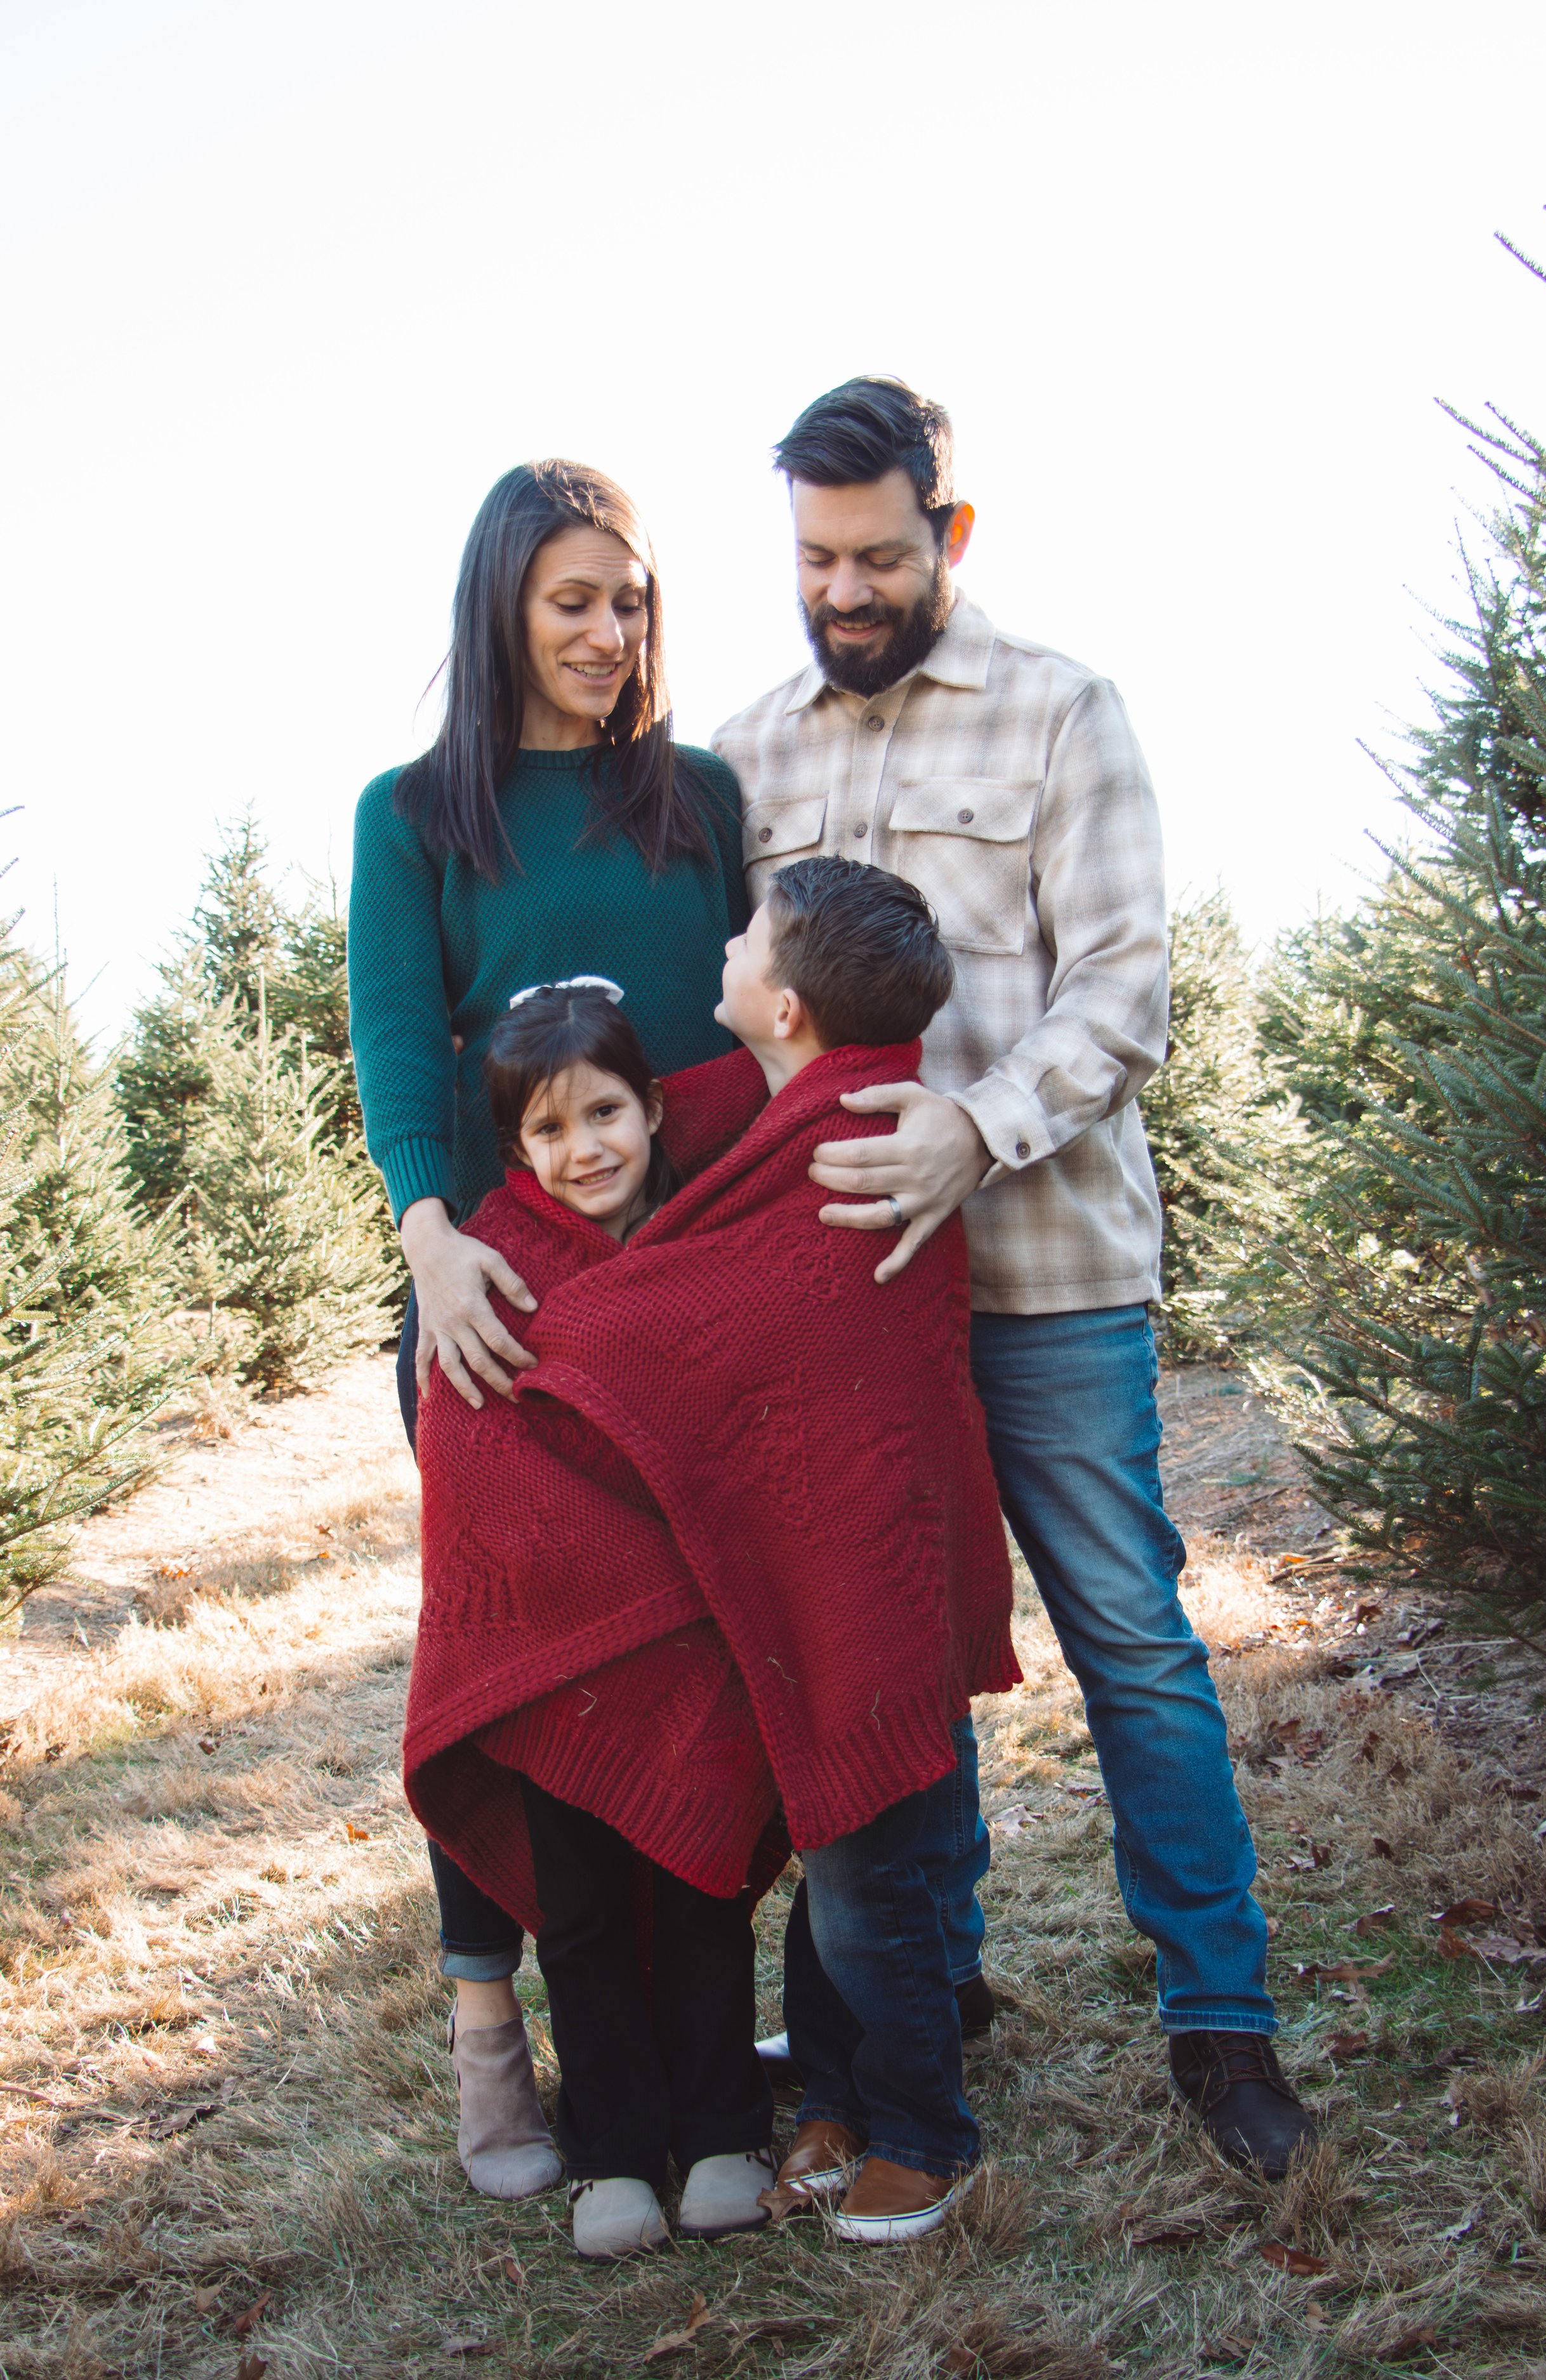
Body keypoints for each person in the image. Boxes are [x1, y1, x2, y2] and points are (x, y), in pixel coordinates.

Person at [712, 378, 1318, 2179]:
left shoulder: (1063, 712)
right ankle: (933, 1981)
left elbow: (1120, 993)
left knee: (1126, 1636)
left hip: (1044, 1277)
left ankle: (1220, 2021)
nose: (842, 591)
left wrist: (971, 1132)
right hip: (844, 1306)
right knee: (892, 1650)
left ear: (949, 533)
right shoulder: (744, 755)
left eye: (877, 556)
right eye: (814, 559)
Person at [404, 859, 1020, 2254]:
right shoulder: (773, 1116)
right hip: (681, 1620)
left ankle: (894, 2129)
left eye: (745, 937)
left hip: (839, 1599)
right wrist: (442, 1237)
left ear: (784, 1003)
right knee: (759, 1889)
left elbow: (664, 1322)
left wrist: (560, 1327)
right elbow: (623, 1119)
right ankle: (740, 2122)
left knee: (845, 1880)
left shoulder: (850, 1137)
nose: (723, 945)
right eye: (548, 1129)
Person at [347, 460, 749, 2200]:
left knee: (693, 1659)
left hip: (684, 1307)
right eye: (572, 601)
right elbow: (392, 1037)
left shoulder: (696, 796)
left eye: (630, 600)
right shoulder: (415, 815)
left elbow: (753, 1036)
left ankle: (692, 2065)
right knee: (510, 1661)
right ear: (501, 608)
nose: (608, 632)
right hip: (493, 1300)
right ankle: (486, 2031)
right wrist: (433, 1247)